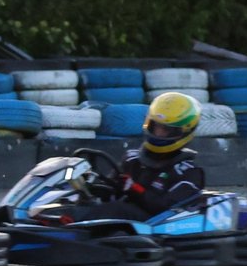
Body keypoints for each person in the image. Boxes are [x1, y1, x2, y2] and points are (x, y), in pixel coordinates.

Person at [55, 91, 205, 222]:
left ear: (184, 132)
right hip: (126, 224)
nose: (158, 133)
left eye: (166, 130)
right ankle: (52, 217)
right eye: (156, 127)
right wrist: (92, 188)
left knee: (119, 210)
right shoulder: (133, 159)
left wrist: (135, 189)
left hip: (157, 225)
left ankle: (69, 222)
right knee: (83, 199)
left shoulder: (188, 172)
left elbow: (165, 208)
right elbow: (113, 191)